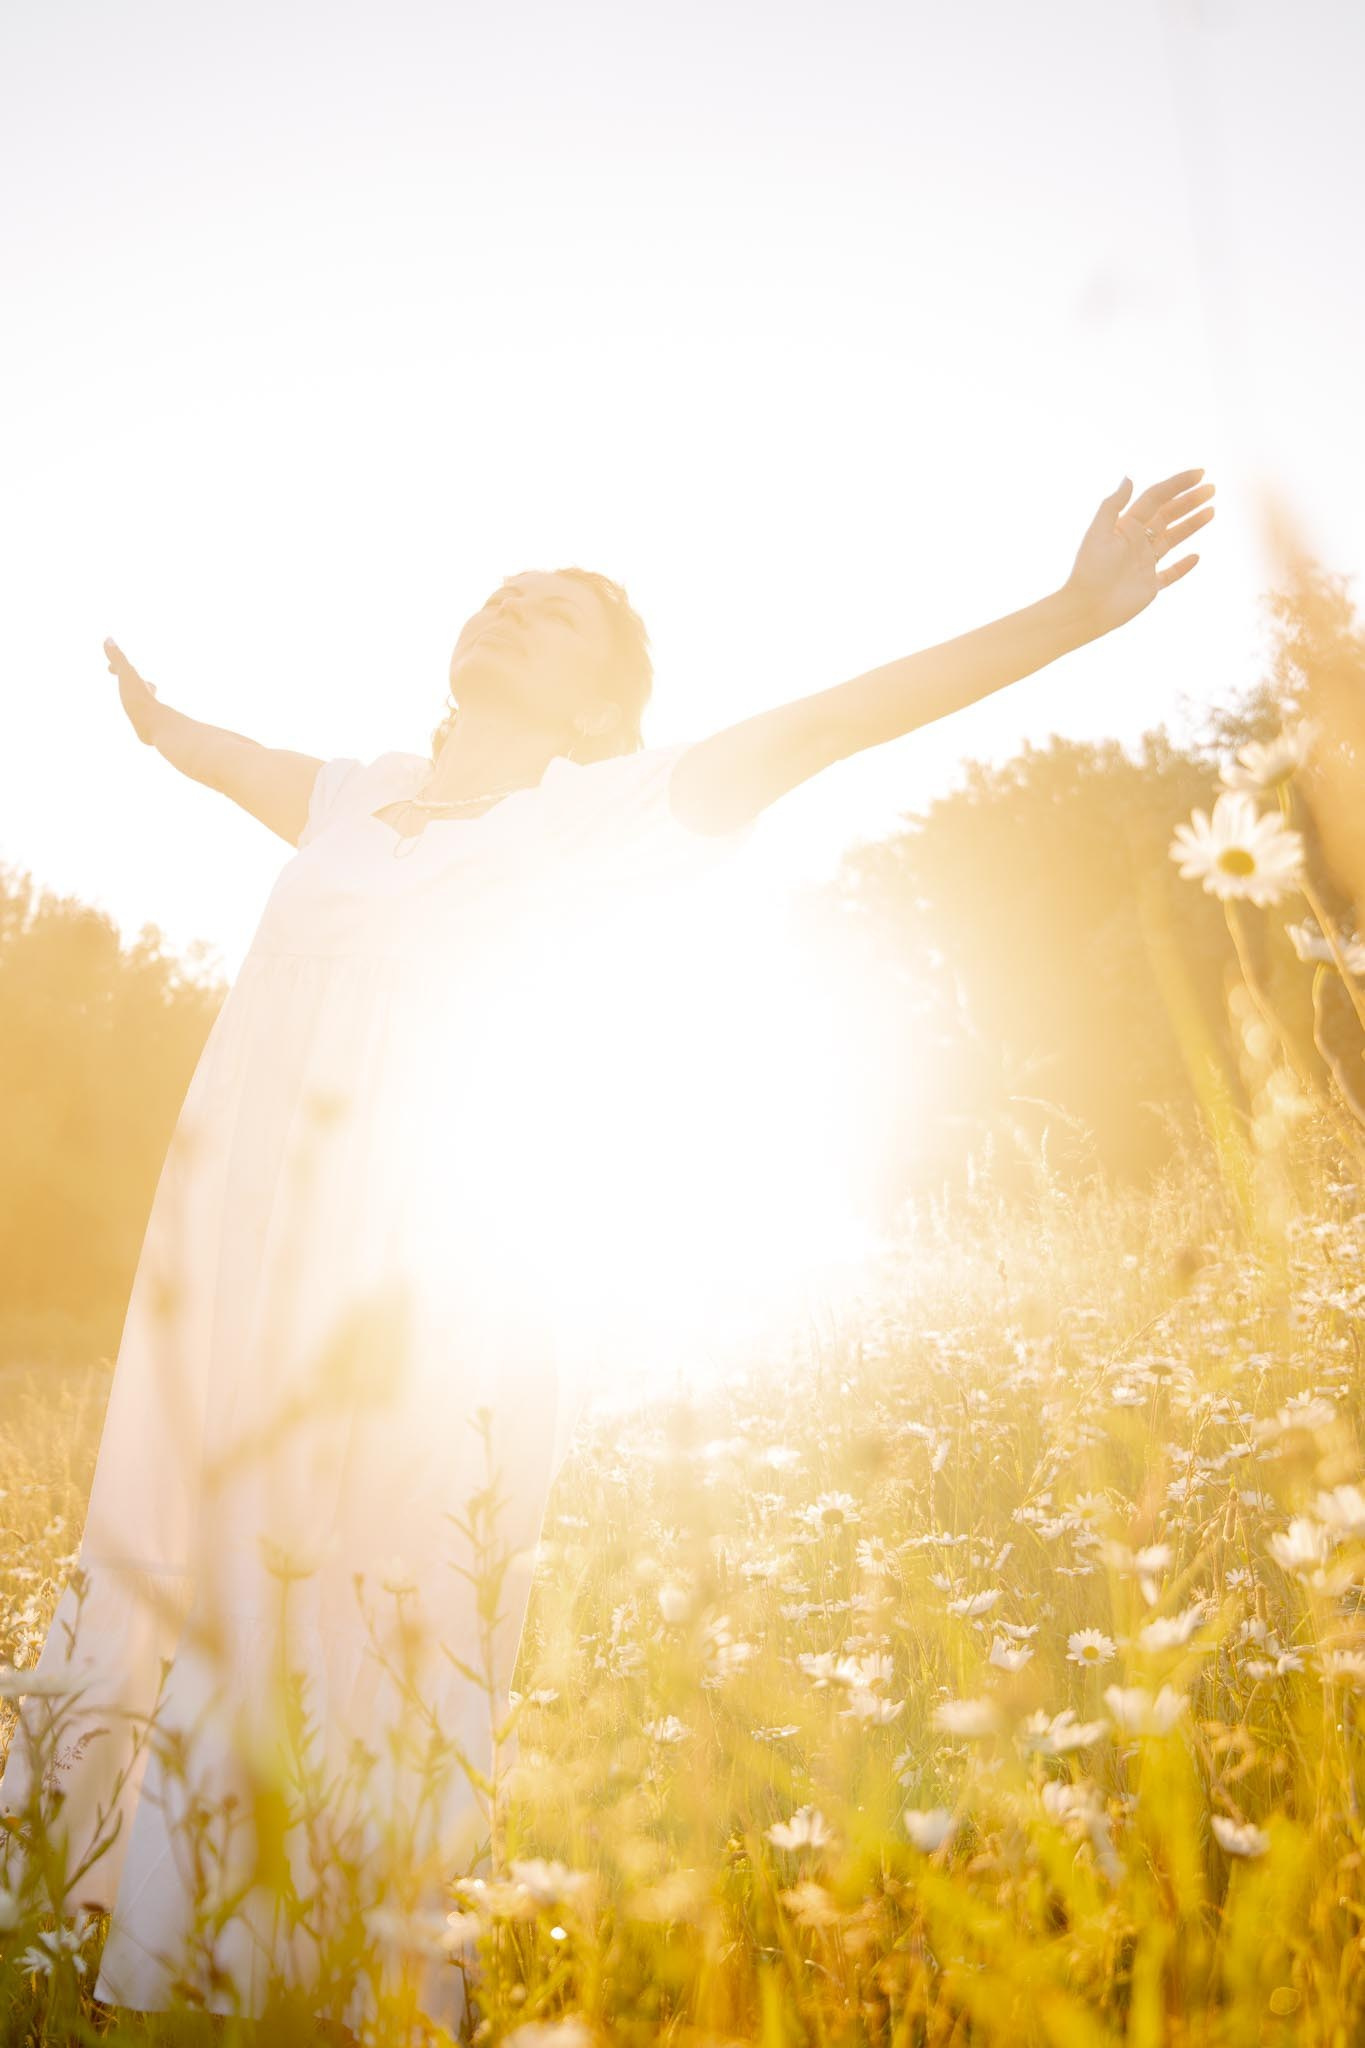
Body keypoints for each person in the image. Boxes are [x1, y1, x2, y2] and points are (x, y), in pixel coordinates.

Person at [0, 472, 1214, 2028]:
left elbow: (839, 718)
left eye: (556, 608)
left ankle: (324, 1970)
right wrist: (159, 724)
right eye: (502, 588)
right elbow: (227, 760)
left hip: (433, 1277)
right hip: (244, 1248)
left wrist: (1067, 612)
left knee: (377, 1588)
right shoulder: (350, 793)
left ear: (600, 700)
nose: (512, 603)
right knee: (213, 1541)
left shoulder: (615, 811)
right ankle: (154, 1946)